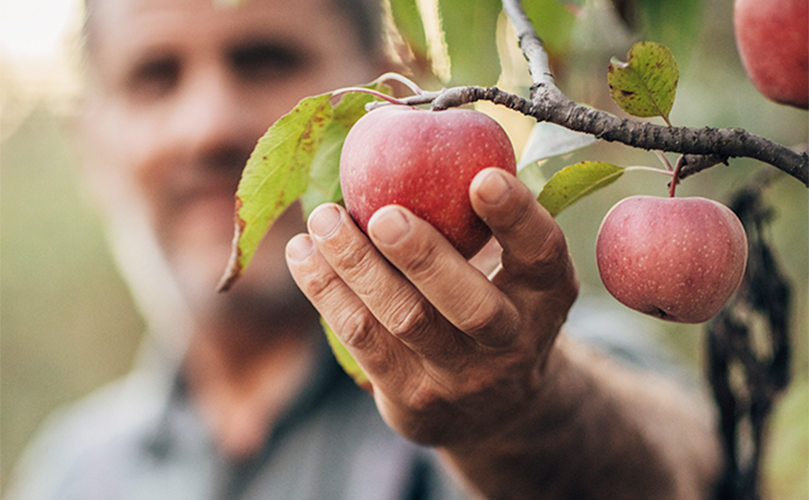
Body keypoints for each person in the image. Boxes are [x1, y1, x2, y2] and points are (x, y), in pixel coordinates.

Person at [5, 0, 722, 498]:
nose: (209, 127)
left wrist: (521, 416)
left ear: (389, 85)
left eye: (264, 59)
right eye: (154, 76)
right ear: (87, 144)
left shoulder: (528, 346)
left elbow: (683, 474)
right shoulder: (70, 475)